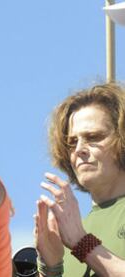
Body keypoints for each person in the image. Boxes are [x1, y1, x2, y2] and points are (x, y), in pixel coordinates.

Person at [35, 83, 125, 276]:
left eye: (93, 137)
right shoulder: (68, 234)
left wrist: (82, 244)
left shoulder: (75, 236)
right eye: (72, 142)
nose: (79, 150)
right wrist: (50, 268)